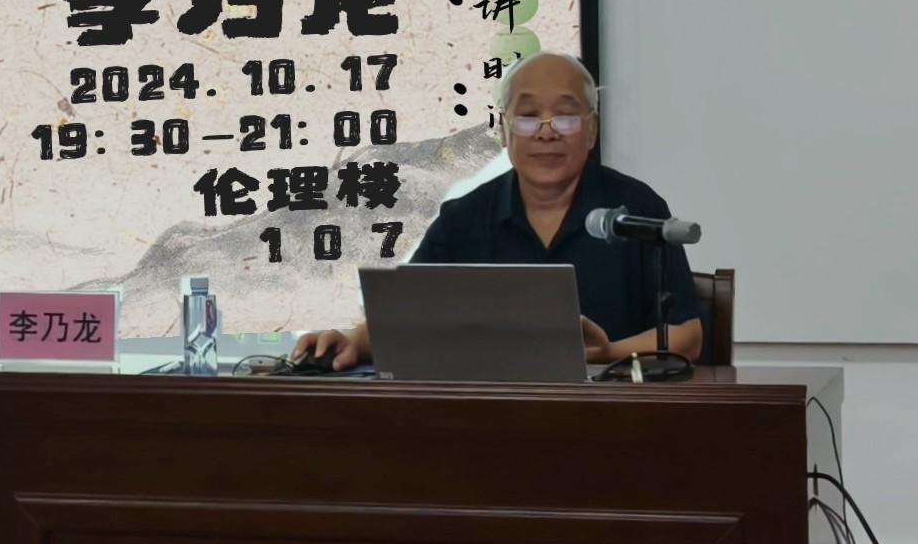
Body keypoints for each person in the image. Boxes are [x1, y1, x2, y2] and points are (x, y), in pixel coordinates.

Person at [289, 51, 700, 373]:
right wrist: (350, 341)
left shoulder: (637, 210)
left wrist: (604, 353)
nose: (546, 131)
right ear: (504, 131)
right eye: (527, 117)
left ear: (591, 129)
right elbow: (408, 314)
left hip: (609, 417)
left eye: (565, 116)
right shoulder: (464, 217)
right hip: (489, 417)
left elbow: (687, 335)